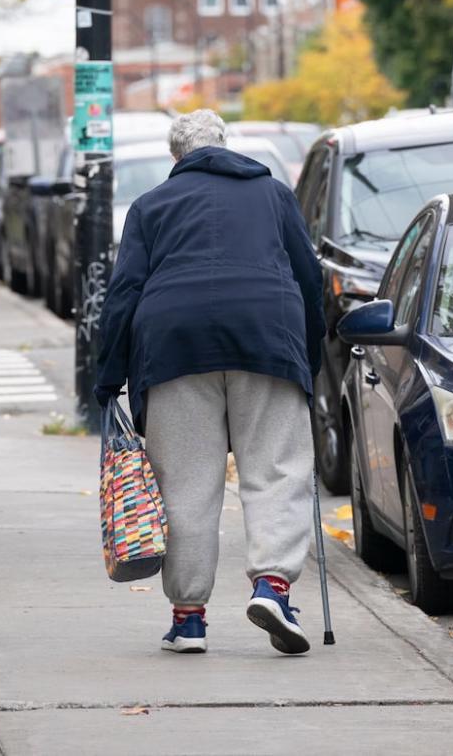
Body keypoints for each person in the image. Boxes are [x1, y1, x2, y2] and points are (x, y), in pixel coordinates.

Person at [95, 109, 324, 656]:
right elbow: (308, 277)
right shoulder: (273, 195)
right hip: (269, 338)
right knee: (277, 470)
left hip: (174, 348)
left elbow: (123, 294)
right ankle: (273, 587)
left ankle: (189, 618)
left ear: (177, 157)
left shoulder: (150, 207)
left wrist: (108, 379)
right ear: (225, 144)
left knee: (186, 484)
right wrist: (308, 359)